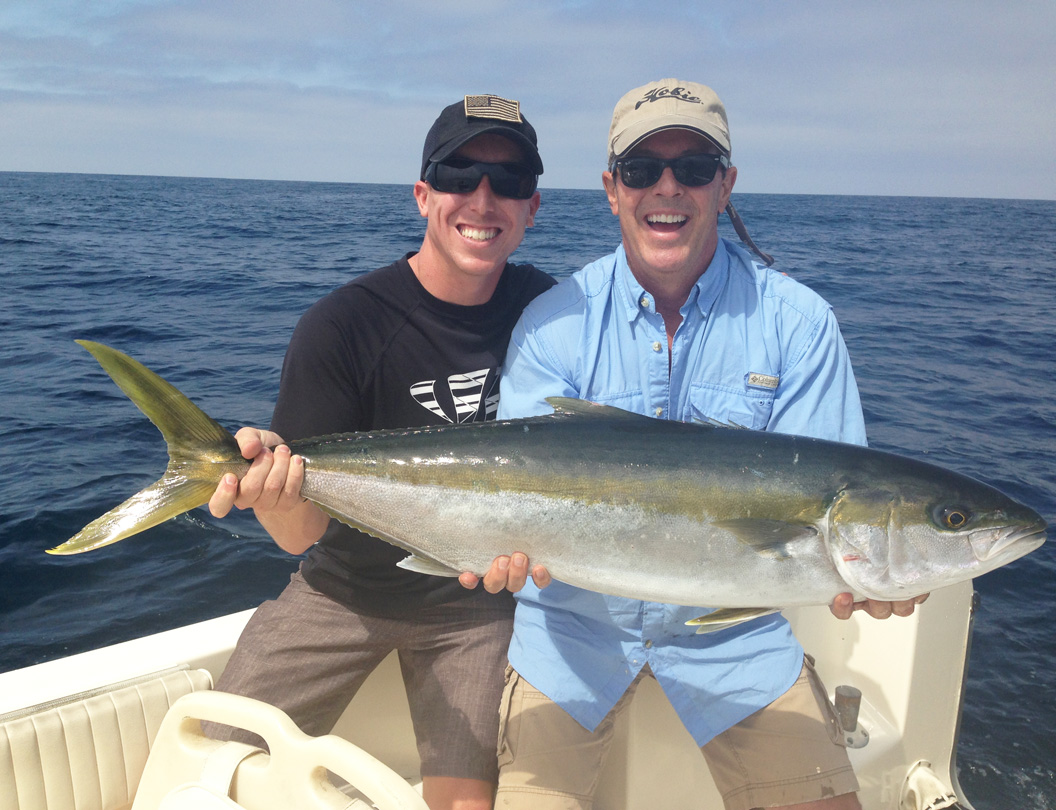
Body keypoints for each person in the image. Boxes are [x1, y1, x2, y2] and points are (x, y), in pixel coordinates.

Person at [481, 80, 926, 810]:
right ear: (611, 189)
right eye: (641, 169)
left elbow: (832, 504)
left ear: (725, 185)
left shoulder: (799, 324)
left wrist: (870, 576)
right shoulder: (554, 322)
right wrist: (497, 544)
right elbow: (512, 491)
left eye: (693, 167)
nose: (668, 187)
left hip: (737, 641)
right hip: (572, 638)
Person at [205, 94, 554, 810]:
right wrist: (271, 490)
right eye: (459, 175)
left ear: (533, 208)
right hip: (343, 593)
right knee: (211, 768)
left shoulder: (553, 318)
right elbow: (299, 535)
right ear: (423, 195)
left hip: (478, 605)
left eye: (509, 181)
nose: (483, 198)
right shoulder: (342, 326)